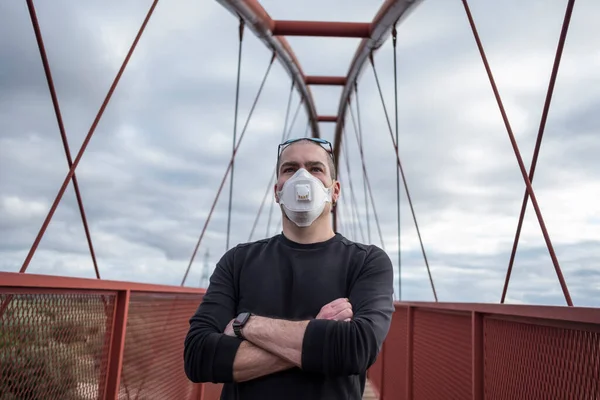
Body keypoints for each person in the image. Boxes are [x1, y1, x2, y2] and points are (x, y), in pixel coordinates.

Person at [184, 137, 395, 399]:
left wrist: (244, 325)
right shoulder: (237, 261)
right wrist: (321, 334)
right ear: (277, 191)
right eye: (290, 169)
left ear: (335, 190)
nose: (302, 177)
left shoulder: (367, 261)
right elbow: (198, 357)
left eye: (316, 168)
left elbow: (355, 349)